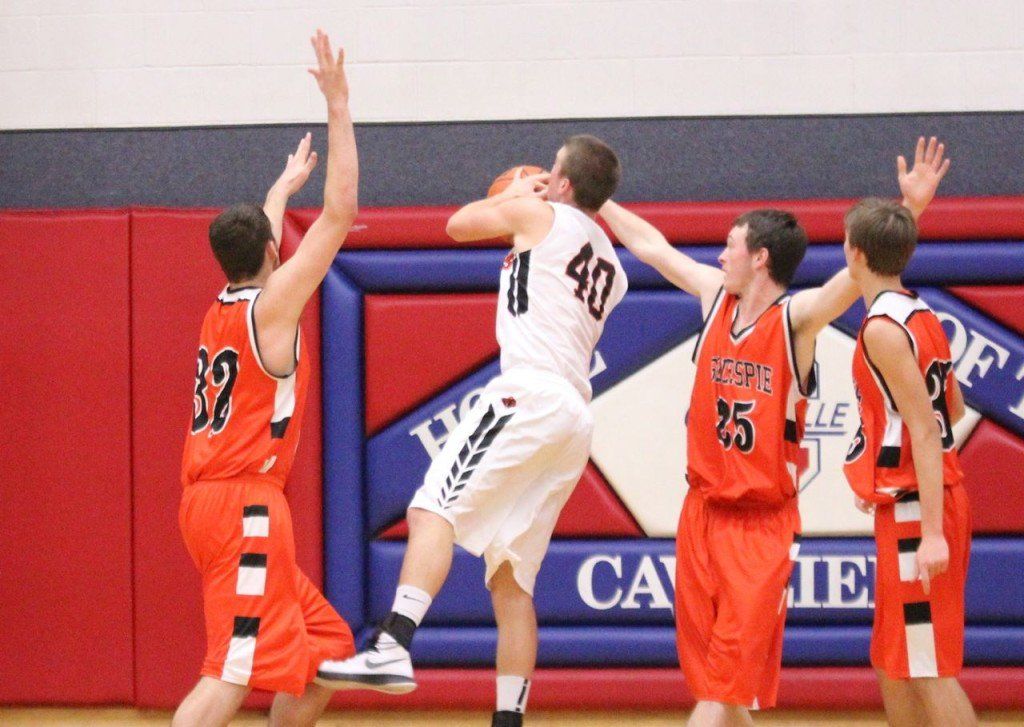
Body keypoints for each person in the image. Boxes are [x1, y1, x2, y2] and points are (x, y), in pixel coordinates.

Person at [598, 137, 948, 726]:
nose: (718, 257)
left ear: (760, 257)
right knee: (720, 685)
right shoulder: (714, 300)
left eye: (730, 246)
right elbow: (652, 247)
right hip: (701, 514)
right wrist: (595, 201)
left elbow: (857, 273)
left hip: (760, 526)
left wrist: (910, 210)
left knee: (723, 684)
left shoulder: (798, 319)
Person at [317, 135, 628, 727]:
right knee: (511, 581)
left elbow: (458, 224)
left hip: (529, 392)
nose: (542, 172)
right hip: (573, 419)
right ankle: (508, 720)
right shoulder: (612, 270)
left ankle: (391, 647)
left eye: (552, 167)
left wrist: (512, 192)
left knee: (432, 509)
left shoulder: (540, 212)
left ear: (562, 185)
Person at [173, 30, 358, 727]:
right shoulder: (275, 307)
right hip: (242, 507)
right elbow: (339, 212)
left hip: (214, 500)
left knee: (325, 648)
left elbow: (265, 233)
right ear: (276, 253)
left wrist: (281, 186)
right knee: (230, 671)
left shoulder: (225, 303)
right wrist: (339, 105)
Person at [843, 165, 976, 725]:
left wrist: (931, 534)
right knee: (892, 660)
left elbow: (926, 428)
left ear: (853, 252)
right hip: (908, 500)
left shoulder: (881, 329)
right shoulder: (921, 314)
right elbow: (957, 408)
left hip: (919, 509)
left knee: (927, 667)